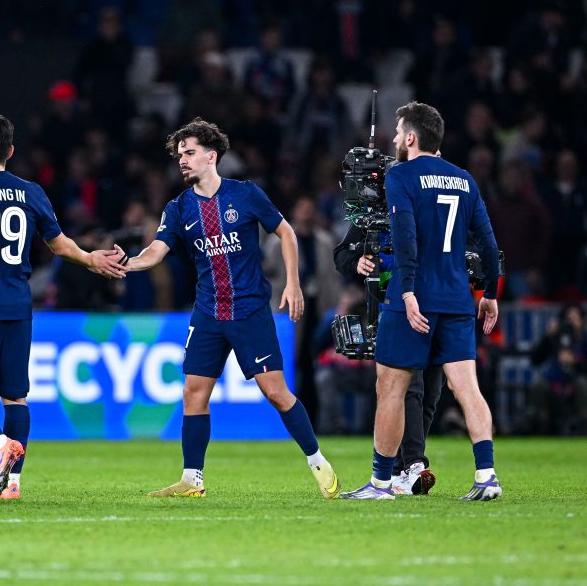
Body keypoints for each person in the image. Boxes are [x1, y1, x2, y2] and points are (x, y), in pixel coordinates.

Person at [125, 117, 341, 499]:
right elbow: (155, 252)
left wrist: (292, 282)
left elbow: (285, 231)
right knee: (193, 392)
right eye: (179, 155)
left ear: (212, 156)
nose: (183, 161)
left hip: (249, 311)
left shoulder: (245, 194)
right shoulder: (177, 209)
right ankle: (192, 479)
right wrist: (126, 263)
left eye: (189, 153)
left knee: (274, 391)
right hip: (208, 312)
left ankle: (317, 460)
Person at [0, 115, 127, 500]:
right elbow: (61, 245)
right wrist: (92, 259)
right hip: (19, 305)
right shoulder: (30, 191)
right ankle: (12, 484)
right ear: (11, 151)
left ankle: (0, 444)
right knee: (15, 397)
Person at [340, 102, 501, 501]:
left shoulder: (402, 176)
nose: (394, 138)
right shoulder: (464, 179)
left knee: (390, 388)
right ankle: (486, 477)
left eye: (398, 132)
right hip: (458, 299)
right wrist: (491, 294)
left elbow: (406, 239)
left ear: (412, 137)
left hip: (413, 299)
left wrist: (408, 291)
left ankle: (380, 483)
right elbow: (489, 243)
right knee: (467, 389)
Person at [334, 221, 440, 495]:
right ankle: (414, 464)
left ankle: (398, 469)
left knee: (430, 391)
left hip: (434, 304)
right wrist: (358, 262)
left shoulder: (422, 204)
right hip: (393, 309)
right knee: (409, 387)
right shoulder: (374, 215)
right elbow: (342, 254)